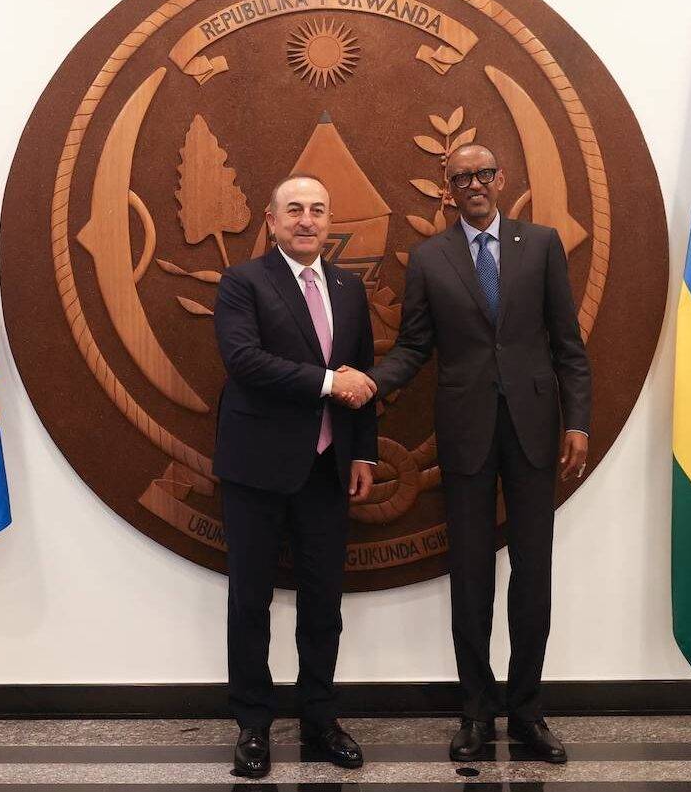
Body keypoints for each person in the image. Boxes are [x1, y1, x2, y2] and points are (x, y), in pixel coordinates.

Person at [360, 144, 591, 763]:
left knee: (533, 573)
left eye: (483, 174)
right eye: (461, 176)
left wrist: (580, 424)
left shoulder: (540, 245)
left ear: (501, 179)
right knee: (470, 575)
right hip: (463, 432)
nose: (474, 184)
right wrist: (372, 382)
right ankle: (475, 712)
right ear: (447, 186)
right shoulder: (429, 259)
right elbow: (413, 347)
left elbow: (568, 344)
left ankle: (527, 712)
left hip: (535, 429)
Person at [213, 174, 379, 778]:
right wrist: (329, 382)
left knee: (323, 604)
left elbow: (362, 377)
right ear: (272, 219)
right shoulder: (242, 282)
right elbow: (244, 362)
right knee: (250, 601)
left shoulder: (349, 287)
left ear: (329, 219)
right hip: (256, 469)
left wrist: (364, 453)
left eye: (317, 209)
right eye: (294, 210)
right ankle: (253, 725)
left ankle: (320, 720)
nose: (306, 219)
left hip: (327, 470)